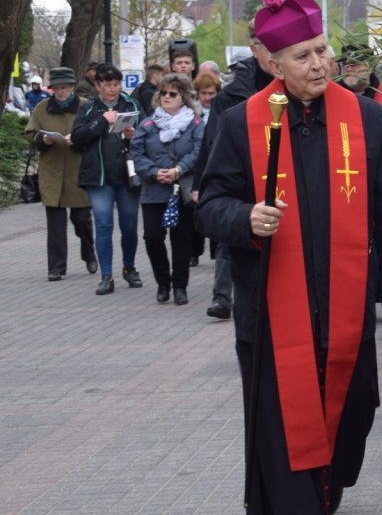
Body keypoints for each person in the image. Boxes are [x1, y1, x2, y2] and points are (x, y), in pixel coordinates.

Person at [196, 0, 382, 515]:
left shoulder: (364, 116)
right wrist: (245, 216)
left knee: (356, 401)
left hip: (347, 294)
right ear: (273, 64)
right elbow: (208, 202)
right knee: (283, 404)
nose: (318, 64)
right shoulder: (238, 122)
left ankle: (328, 481)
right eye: (302, 55)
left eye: (322, 50)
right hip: (272, 299)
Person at [202, 36, 276, 319]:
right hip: (241, 176)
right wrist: (202, 183)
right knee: (230, 237)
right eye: (265, 43)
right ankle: (222, 297)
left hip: (276, 176)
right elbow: (212, 141)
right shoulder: (231, 96)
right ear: (254, 48)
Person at [69, 63, 142, 295]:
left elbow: (149, 132)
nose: (112, 89)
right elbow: (78, 137)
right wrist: (103, 121)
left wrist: (135, 133)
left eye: (116, 84)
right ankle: (106, 276)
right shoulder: (89, 108)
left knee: (129, 226)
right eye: (108, 84)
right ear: (98, 85)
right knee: (103, 225)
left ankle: (129, 268)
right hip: (98, 177)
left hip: (127, 175)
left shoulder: (131, 104)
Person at [131, 74, 204, 305]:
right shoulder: (148, 124)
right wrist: (154, 172)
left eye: (172, 93)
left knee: (181, 239)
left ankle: (180, 285)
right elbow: (137, 153)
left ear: (183, 96)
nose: (167, 97)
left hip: (181, 188)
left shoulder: (195, 123)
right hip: (154, 189)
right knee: (152, 237)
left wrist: (179, 169)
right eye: (163, 93)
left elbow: (200, 151)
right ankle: (163, 282)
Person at [23, 67, 97, 282]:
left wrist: (79, 139)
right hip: (52, 171)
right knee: (55, 223)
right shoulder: (42, 108)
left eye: (64, 87)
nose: (61, 91)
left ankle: (88, 251)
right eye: (57, 88)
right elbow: (31, 132)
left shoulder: (86, 106)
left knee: (81, 218)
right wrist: (42, 140)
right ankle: (56, 268)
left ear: (72, 87)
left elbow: (96, 132)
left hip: (78, 170)